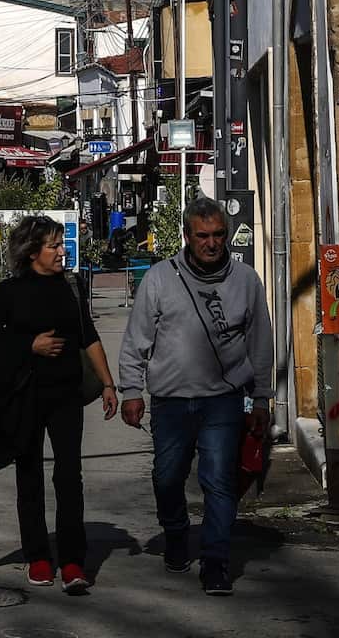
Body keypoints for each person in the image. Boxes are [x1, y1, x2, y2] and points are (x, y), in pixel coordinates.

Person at [117, 197, 274, 597]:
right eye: (202, 236)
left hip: (222, 399)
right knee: (167, 477)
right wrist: (131, 391)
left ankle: (216, 562)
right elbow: (136, 340)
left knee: (218, 480)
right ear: (187, 236)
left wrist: (261, 400)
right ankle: (175, 533)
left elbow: (260, 344)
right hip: (170, 400)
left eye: (218, 235)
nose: (211, 243)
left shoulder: (245, 281)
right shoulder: (159, 278)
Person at [0, 216, 119, 595]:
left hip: (65, 394)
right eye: (53, 245)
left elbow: (89, 335)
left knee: (70, 477)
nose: (61, 251)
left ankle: (72, 560)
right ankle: (38, 555)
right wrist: (28, 346)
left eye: (60, 244)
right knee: (29, 476)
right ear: (33, 252)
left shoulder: (70, 287)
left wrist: (108, 383)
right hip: (25, 396)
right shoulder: (8, 292)